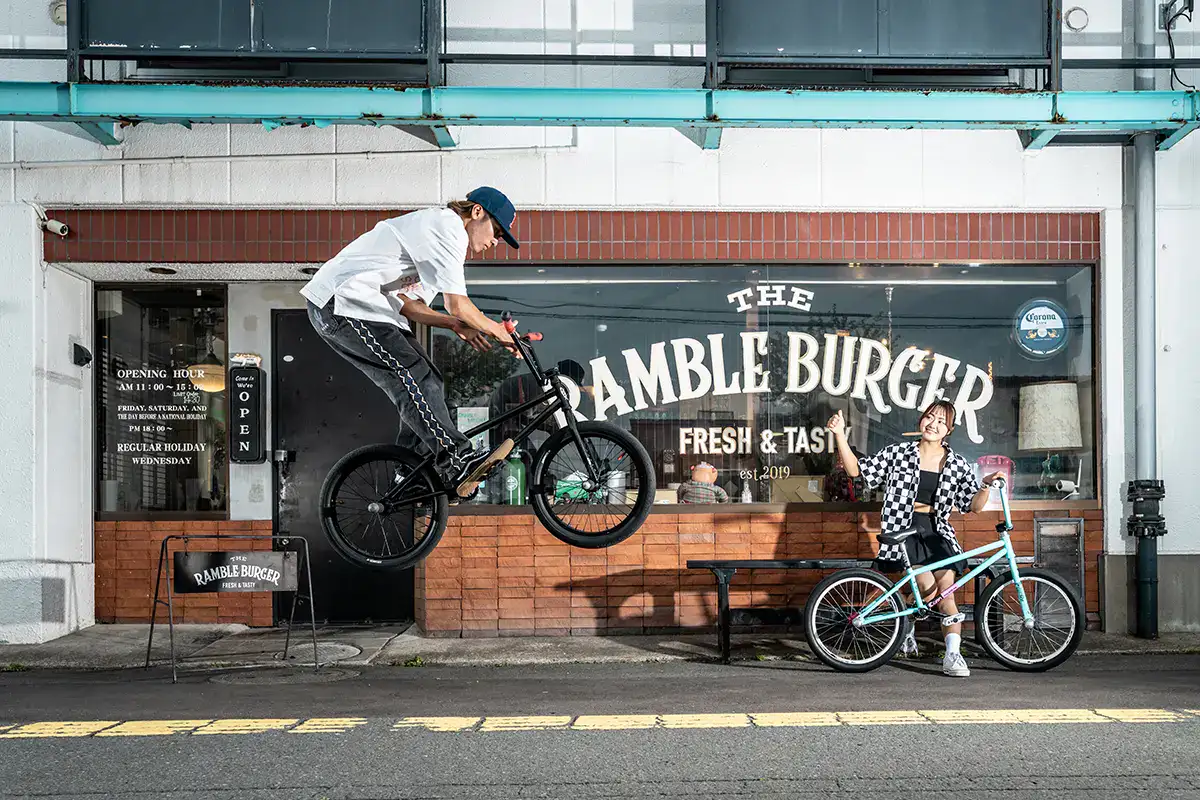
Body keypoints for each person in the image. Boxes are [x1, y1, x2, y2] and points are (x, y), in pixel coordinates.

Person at [301, 186, 521, 499]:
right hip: (341, 302)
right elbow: (458, 303)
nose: (494, 242)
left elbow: (409, 305)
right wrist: (498, 331)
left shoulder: (437, 247)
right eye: (496, 232)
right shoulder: (447, 227)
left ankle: (409, 471)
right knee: (414, 374)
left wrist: (454, 325)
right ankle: (457, 458)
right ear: (476, 212)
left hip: (369, 310)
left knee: (428, 380)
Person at [826, 400, 1004, 678]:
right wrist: (839, 436)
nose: (933, 424)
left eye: (941, 422)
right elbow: (857, 471)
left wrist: (986, 484)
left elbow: (974, 505)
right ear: (921, 420)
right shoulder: (898, 453)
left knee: (946, 596)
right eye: (930, 418)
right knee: (927, 587)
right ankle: (907, 620)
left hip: (937, 531)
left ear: (949, 430)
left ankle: (952, 655)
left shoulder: (956, 464)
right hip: (904, 528)